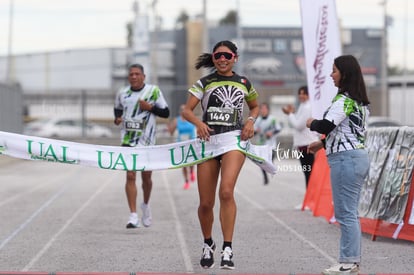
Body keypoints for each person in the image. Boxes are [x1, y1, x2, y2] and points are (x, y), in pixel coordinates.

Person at [181, 40, 259, 270]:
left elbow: (254, 106)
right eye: (218, 56)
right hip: (209, 144)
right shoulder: (205, 82)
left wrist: (251, 121)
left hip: (233, 141)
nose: (222, 59)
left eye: (227, 55)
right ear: (213, 59)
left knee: (226, 192)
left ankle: (227, 247)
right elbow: (186, 110)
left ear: (235, 57)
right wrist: (197, 122)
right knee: (205, 203)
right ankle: (208, 243)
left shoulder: (244, 82)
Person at [306, 55, 370, 275]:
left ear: (345, 73)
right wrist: (321, 144)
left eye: (334, 70)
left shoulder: (345, 100)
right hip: (354, 157)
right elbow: (346, 132)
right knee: (348, 212)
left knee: (346, 213)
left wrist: (311, 123)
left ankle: (349, 262)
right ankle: (350, 261)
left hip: (346, 159)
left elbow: (325, 124)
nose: (331, 74)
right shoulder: (359, 102)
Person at [114, 63, 170, 229]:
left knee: (146, 177)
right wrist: (117, 119)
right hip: (128, 140)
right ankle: (133, 215)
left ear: (143, 76)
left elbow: (166, 113)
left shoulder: (153, 91)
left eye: (137, 74)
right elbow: (117, 110)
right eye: (131, 74)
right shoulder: (122, 93)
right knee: (130, 175)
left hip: (147, 142)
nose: (134, 77)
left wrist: (150, 108)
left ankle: (145, 204)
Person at [282, 85, 319, 190]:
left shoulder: (308, 107)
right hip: (302, 144)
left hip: (307, 144)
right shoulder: (303, 106)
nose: (301, 96)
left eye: (304, 93)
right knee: (307, 173)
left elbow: (298, 125)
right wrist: (292, 113)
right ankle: (309, 199)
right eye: (300, 93)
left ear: (308, 95)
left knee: (309, 173)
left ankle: (310, 200)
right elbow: (297, 121)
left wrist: (290, 114)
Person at [168, 104, 196, 190]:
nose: (184, 112)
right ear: (180, 112)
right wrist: (171, 127)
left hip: (191, 144)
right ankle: (186, 181)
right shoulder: (177, 120)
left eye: (185, 110)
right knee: (184, 164)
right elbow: (171, 132)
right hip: (181, 145)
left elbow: (198, 129)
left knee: (191, 162)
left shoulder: (192, 119)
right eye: (182, 110)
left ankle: (191, 172)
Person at [254, 102, 282, 184]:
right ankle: (265, 177)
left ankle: (269, 169)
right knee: (261, 162)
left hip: (271, 145)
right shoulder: (258, 120)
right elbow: (253, 132)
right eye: (261, 109)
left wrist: (271, 133)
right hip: (261, 144)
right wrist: (256, 131)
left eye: (264, 109)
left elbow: (278, 129)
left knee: (269, 162)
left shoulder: (273, 119)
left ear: (268, 110)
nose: (263, 110)